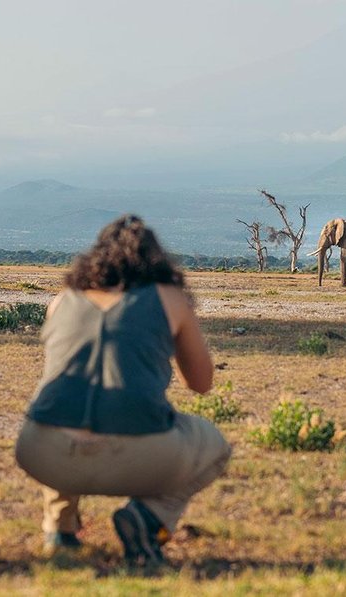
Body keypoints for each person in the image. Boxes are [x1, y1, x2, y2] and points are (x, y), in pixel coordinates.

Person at [15, 215, 231, 567]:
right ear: (156, 260)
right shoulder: (170, 299)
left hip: (42, 453)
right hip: (139, 456)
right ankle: (150, 518)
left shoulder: (62, 300)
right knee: (215, 445)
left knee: (66, 404)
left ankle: (59, 529)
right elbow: (202, 383)